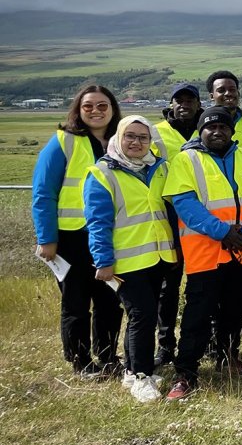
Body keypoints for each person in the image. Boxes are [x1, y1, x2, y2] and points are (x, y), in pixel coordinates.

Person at [163, 107, 242, 401]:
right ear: (201, 131)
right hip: (206, 253)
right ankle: (186, 373)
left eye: (223, 127)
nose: (217, 131)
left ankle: (228, 356)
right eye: (210, 127)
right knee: (197, 315)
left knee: (235, 310)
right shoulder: (186, 160)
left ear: (231, 131)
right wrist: (224, 233)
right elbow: (185, 203)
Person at [83, 116, 177, 403]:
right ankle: (141, 377)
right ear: (119, 139)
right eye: (130, 137)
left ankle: (130, 370)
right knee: (142, 315)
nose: (137, 143)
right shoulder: (101, 173)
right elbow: (98, 222)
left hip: (158, 256)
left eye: (143, 137)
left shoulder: (158, 168)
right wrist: (103, 260)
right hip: (125, 261)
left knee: (143, 314)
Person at [33, 84, 124, 378]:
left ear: (112, 109)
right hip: (71, 237)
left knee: (110, 300)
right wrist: (47, 239)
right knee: (76, 302)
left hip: (111, 235)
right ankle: (81, 361)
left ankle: (109, 356)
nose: (96, 111)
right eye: (88, 106)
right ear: (78, 109)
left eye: (102, 105)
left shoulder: (121, 141)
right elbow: (43, 192)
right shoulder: (63, 141)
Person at [148, 82, 202, 368]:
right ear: (170, 103)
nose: (184, 105)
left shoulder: (207, 128)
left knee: (201, 283)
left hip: (203, 217)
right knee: (168, 287)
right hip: (167, 215)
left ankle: (203, 340)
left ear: (198, 104)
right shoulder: (155, 132)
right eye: (178, 100)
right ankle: (165, 344)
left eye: (189, 100)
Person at [206, 70, 242, 137]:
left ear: (238, 93)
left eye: (232, 90)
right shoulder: (202, 124)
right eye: (221, 90)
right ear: (211, 96)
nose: (228, 93)